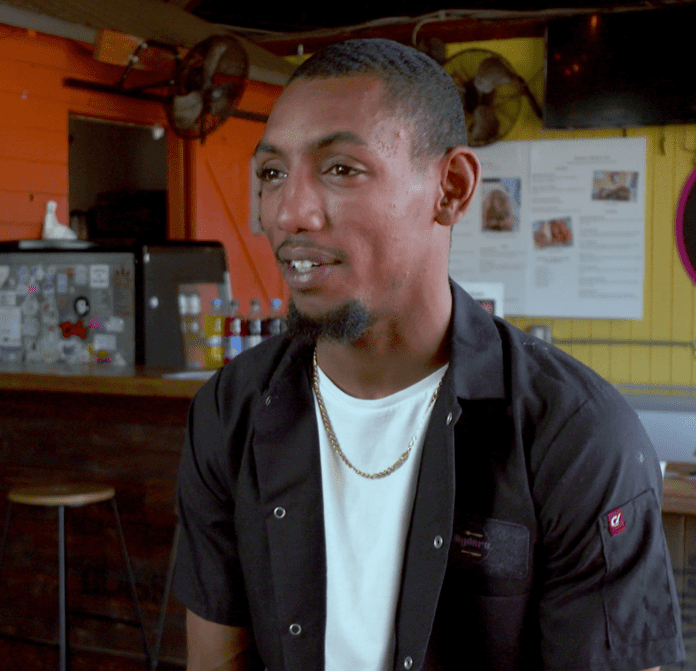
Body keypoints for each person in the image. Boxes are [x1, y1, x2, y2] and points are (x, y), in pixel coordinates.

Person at [172, 38, 684, 671]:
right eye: (273, 173)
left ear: (452, 188)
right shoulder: (232, 410)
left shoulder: (572, 435)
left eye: (340, 168)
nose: (288, 212)